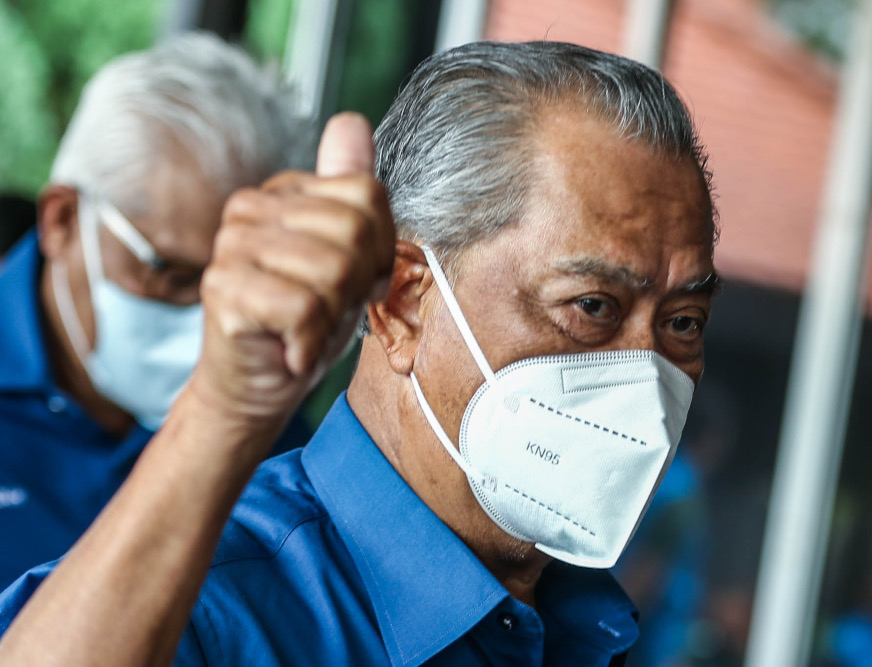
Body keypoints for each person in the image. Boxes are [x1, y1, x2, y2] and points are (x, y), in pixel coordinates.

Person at [0, 41, 719, 665]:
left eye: (683, 322)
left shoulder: (593, 626)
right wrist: (221, 414)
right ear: (405, 300)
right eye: (592, 306)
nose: (645, 379)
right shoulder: (219, 617)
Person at [0, 33, 315, 589]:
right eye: (173, 275)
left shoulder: (270, 416)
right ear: (62, 220)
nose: (211, 323)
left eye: (240, 280)